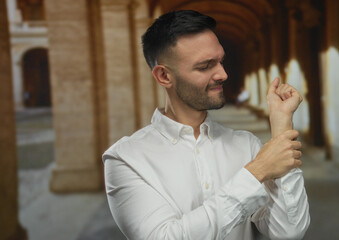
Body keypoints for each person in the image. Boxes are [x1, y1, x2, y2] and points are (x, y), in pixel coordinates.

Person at [103, 10, 310, 240]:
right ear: (164, 76)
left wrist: (281, 130)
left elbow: (288, 233)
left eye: (221, 61)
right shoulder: (126, 159)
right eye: (205, 66)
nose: (222, 74)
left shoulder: (247, 145)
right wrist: (256, 172)